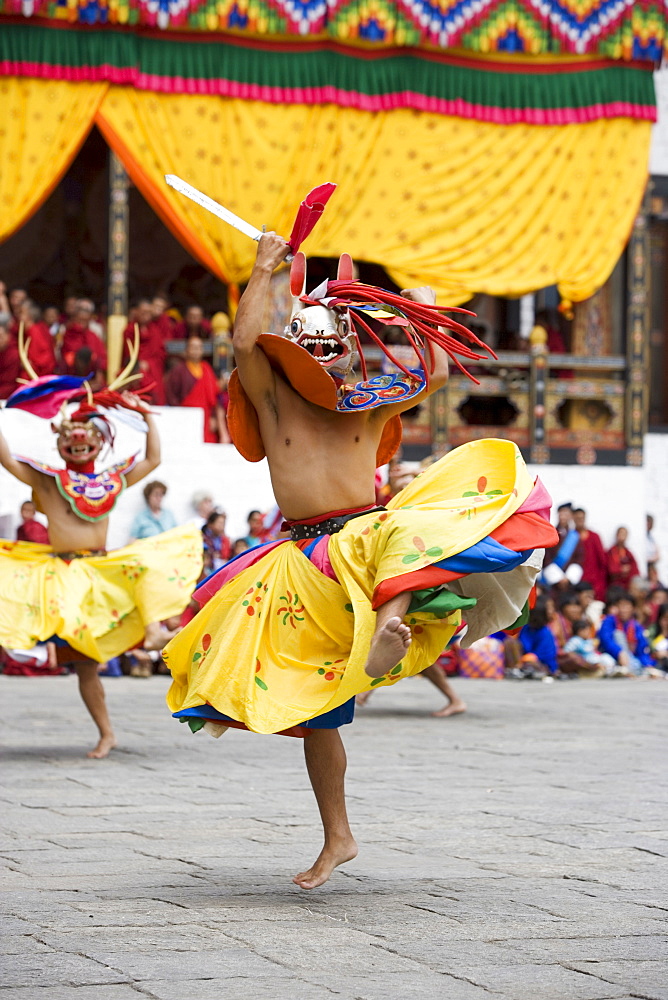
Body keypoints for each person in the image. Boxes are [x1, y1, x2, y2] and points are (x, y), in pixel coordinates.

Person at [163, 234, 557, 890]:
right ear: (292, 350)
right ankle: (338, 836)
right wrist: (264, 270)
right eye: (306, 345)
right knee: (319, 716)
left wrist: (422, 306)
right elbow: (241, 345)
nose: (317, 355)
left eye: (328, 345)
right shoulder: (274, 397)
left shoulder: (370, 405)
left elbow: (431, 376)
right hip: (301, 559)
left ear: (346, 350)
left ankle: (384, 629)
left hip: (365, 543)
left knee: (399, 526)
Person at [0, 369, 202, 758]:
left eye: (86, 440)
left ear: (98, 442)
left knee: (145, 566)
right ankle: (42, 658)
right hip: (61, 572)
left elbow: (154, 458)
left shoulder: (110, 480)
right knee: (78, 657)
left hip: (100, 570)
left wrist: (145, 418)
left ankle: (151, 635)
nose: (78, 446)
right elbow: (6, 457)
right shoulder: (46, 481)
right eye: (71, 441)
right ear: (60, 444)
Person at [164, 336, 222, 442]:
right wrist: (178, 415)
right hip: (185, 416)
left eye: (199, 348)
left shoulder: (206, 369)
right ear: (186, 350)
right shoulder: (178, 370)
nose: (196, 351)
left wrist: (213, 417)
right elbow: (171, 394)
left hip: (205, 415)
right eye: (193, 347)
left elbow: (213, 397)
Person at [122, 299, 168, 405]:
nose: (145, 315)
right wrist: (138, 364)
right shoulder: (129, 330)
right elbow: (127, 353)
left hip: (152, 370)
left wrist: (149, 364)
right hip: (135, 371)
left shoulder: (155, 331)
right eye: (142, 312)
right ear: (136, 312)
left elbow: (160, 354)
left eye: (148, 313)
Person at [598, 593, 654, 677]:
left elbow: (642, 650)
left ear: (633, 609)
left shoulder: (637, 626)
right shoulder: (609, 621)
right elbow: (606, 640)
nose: (623, 610)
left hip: (630, 659)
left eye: (626, 606)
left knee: (640, 664)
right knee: (607, 660)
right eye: (620, 606)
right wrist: (619, 652)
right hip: (612, 656)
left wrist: (648, 665)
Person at [61, 299, 107, 377]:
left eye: (85, 321)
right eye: (80, 320)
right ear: (75, 317)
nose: (82, 324)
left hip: (92, 377)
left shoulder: (93, 336)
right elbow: (68, 357)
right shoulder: (69, 334)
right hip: (73, 376)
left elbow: (101, 358)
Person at [606, 527, 640, 591]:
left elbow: (635, 570)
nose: (622, 536)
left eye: (624, 534)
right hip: (614, 585)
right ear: (616, 535)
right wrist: (621, 569)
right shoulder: (610, 552)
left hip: (627, 585)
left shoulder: (628, 553)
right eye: (621, 534)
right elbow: (610, 569)